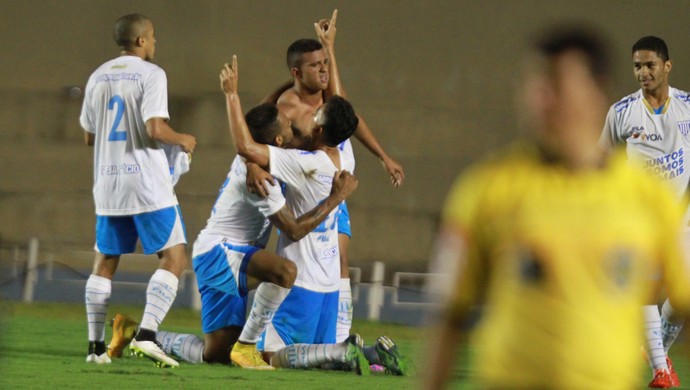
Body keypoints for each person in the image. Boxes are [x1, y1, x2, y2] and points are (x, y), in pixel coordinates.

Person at [423, 26, 690, 389]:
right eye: (534, 85)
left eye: (557, 86)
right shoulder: (485, 189)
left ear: (597, 93)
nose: (540, 100)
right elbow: (449, 315)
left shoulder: (649, 198)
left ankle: (659, 360)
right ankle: (661, 367)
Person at [106, 102, 359, 370]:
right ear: (277, 139)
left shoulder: (261, 158)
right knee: (284, 272)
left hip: (219, 252)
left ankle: (130, 332)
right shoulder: (264, 180)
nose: (294, 124)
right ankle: (247, 346)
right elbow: (293, 230)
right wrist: (336, 197)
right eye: (287, 124)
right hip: (222, 252)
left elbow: (251, 133)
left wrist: (249, 158)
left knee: (216, 354)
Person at [253, 11, 409, 374]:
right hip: (311, 189)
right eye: (316, 65)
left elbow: (351, 118)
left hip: (337, 184)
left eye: (325, 64)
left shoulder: (329, 102)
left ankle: (341, 338)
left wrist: (384, 157)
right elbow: (261, 130)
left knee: (340, 260)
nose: (323, 70)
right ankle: (336, 344)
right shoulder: (288, 108)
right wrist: (254, 167)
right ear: (297, 72)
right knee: (302, 259)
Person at [221, 54, 377, 374]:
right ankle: (361, 353)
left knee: (266, 356)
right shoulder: (344, 162)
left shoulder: (306, 164)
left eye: (317, 111)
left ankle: (341, 351)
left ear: (319, 122)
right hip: (329, 284)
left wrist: (232, 95)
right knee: (317, 362)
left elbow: (248, 146)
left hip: (300, 281)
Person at [79, 13, 197, 368]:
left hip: (108, 183)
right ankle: (146, 336)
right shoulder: (152, 74)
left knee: (105, 262)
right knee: (174, 257)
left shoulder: (97, 76)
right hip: (145, 183)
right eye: (154, 37)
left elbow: (88, 136)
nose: (155, 43)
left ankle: (95, 347)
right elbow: (155, 129)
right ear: (142, 41)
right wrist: (184, 139)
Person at [599, 35, 690, 388]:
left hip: (681, 217)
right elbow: (600, 163)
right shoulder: (621, 113)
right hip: (636, 219)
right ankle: (660, 371)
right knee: (644, 290)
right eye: (637, 66)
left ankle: (655, 350)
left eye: (650, 65)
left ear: (667, 66)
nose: (643, 72)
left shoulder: (687, 107)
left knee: (683, 296)